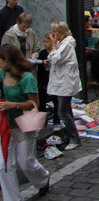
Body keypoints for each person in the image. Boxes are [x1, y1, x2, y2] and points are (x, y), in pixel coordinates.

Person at [0, 44, 50, 199]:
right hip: (6, 125)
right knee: (5, 166)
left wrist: (12, 105)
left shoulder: (27, 78)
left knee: (25, 162)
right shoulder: (2, 74)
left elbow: (35, 104)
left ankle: (43, 179)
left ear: (8, 60)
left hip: (23, 124)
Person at [47, 22, 82, 150]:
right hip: (64, 82)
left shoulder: (66, 44)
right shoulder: (63, 44)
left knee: (62, 112)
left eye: (54, 32)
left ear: (60, 33)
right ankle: (70, 134)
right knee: (67, 110)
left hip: (66, 83)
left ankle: (74, 137)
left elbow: (55, 58)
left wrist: (51, 46)